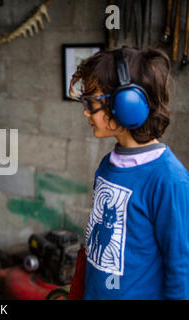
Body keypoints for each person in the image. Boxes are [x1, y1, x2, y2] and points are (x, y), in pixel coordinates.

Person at [67, 46, 189, 299]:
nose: (85, 112)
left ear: (126, 104)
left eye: (92, 103)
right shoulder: (107, 164)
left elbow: (181, 270)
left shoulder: (168, 179)